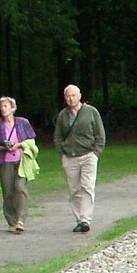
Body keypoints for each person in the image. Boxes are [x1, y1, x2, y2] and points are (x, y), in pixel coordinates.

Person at [54, 83, 106, 232]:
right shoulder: (62, 115)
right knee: (74, 190)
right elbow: (57, 136)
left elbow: (100, 134)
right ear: (64, 98)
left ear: (80, 96)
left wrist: (96, 152)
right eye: (68, 96)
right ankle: (79, 219)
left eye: (73, 95)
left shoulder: (91, 112)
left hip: (88, 155)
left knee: (87, 186)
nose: (71, 99)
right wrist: (62, 152)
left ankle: (85, 219)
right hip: (70, 157)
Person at [0, 97, 37, 233]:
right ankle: (11, 221)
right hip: (5, 161)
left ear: (12, 108)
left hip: (22, 161)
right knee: (8, 191)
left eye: (6, 106)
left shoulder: (23, 123)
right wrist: (4, 147)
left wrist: (19, 144)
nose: (3, 109)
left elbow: (31, 139)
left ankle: (21, 220)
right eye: (1, 106)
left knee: (20, 188)